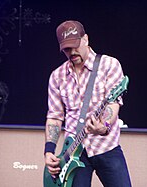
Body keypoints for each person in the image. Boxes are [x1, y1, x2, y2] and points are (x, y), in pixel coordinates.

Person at [44, 20, 132, 187]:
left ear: (86, 39)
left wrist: (103, 125)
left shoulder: (109, 65)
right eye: (66, 49)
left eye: (75, 46)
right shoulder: (57, 76)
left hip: (106, 146)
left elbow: (112, 104)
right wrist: (49, 151)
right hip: (73, 152)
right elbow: (55, 116)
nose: (72, 52)